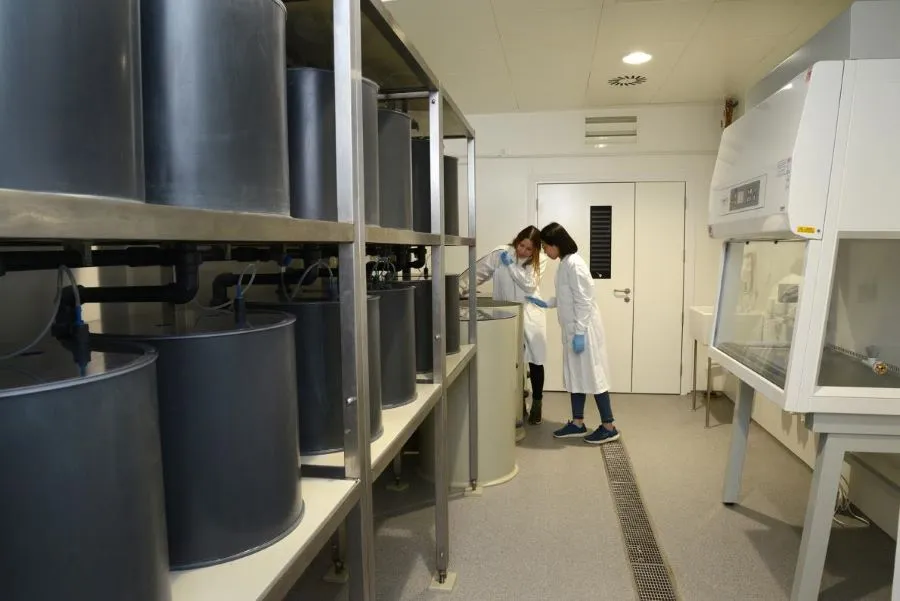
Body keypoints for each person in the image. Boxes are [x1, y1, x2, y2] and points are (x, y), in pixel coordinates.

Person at [525, 222, 620, 445]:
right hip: (573, 330)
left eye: (547, 247)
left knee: (594, 377)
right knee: (576, 377)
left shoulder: (575, 265)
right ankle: (578, 423)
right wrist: (547, 302)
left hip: (584, 331)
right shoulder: (565, 264)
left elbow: (585, 301)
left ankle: (609, 426)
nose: (545, 251)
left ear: (557, 244)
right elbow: (568, 298)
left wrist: (579, 333)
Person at [460, 226, 548, 425]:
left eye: (528, 249)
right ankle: (517, 405)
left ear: (535, 250)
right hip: (506, 314)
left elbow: (529, 284)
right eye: (521, 245)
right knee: (510, 361)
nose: (523, 251)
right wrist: (459, 288)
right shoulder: (501, 253)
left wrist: (511, 267)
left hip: (530, 314)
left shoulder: (540, 260)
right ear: (516, 240)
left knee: (535, 361)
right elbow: (478, 273)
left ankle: (537, 403)